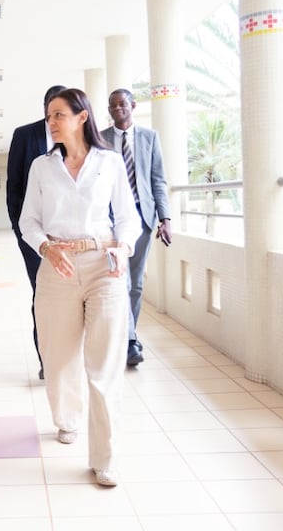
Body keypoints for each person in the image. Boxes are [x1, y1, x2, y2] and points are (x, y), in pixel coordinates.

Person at [19, 88, 141, 487]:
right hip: (57, 268)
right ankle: (66, 419)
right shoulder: (41, 166)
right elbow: (29, 221)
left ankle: (105, 457)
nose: (50, 122)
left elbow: (128, 216)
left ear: (81, 117)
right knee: (58, 357)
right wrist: (46, 248)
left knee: (104, 364)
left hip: (104, 265)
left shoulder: (109, 163)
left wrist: (124, 249)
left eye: (57, 115)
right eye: (48, 115)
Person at [102, 88, 172, 366]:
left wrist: (165, 219)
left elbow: (158, 180)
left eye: (122, 104)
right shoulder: (101, 138)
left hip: (143, 218)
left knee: (136, 283)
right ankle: (130, 341)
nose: (117, 109)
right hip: (111, 221)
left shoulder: (149, 138)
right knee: (122, 279)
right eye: (112, 105)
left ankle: (127, 334)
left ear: (133, 105)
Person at [6, 85, 66, 380]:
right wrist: (20, 229)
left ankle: (68, 358)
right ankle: (47, 358)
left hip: (71, 236)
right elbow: (14, 185)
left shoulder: (78, 137)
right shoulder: (24, 135)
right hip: (33, 234)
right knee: (42, 294)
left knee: (69, 296)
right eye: (50, 107)